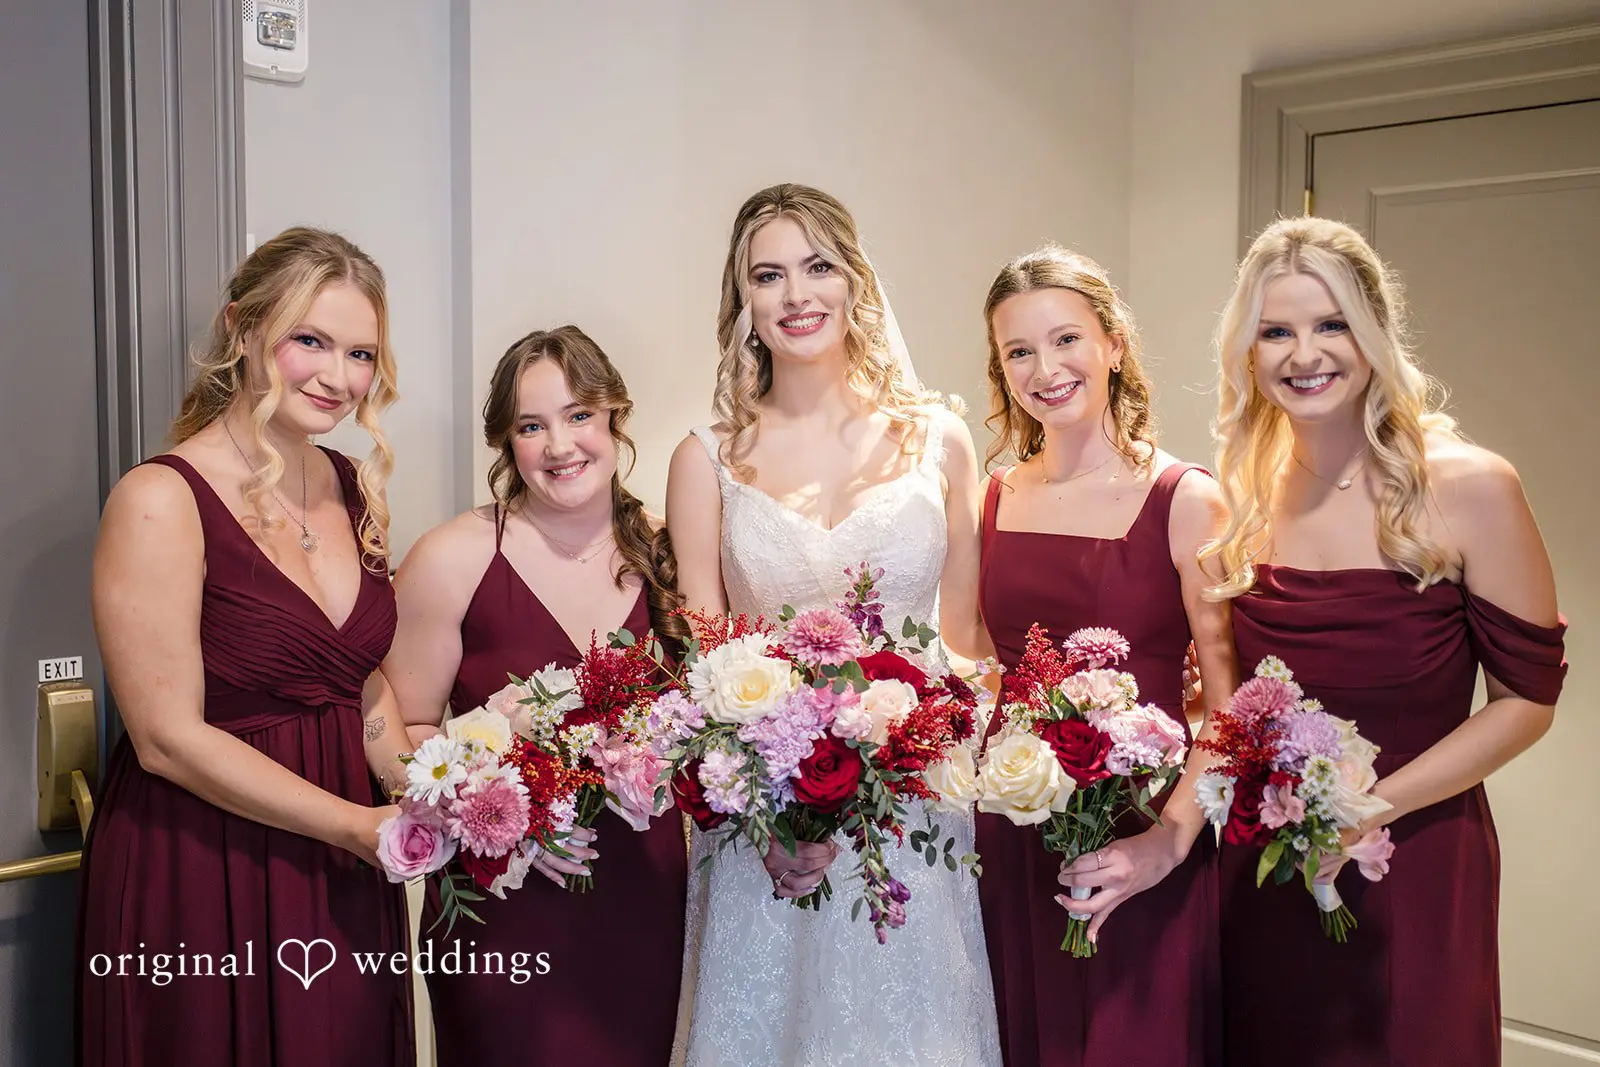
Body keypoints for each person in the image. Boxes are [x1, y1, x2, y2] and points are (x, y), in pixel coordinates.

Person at [1206, 216, 1566, 1067]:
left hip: (1419, 857)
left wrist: (1371, 808)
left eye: (1330, 325)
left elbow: (1528, 702)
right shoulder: (1241, 489)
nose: (1305, 354)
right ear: (1248, 353)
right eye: (1276, 331)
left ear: (1374, 333)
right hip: (1270, 867)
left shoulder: (1471, 484)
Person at [665, 183, 1001, 1066]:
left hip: (915, 810)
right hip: (765, 822)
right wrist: (774, 808)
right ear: (742, 301)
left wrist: (932, 746)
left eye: (817, 266)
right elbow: (706, 666)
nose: (796, 294)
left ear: (856, 280)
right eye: (767, 275)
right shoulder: (705, 462)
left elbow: (966, 643)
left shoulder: (940, 441)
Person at [77, 227, 415, 1066]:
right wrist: (355, 826)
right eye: (311, 341)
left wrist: (420, 786)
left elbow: (358, 677)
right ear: (241, 329)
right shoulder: (160, 498)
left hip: (343, 866)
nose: (339, 378)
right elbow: (164, 738)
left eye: (361, 353)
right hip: (202, 865)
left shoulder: (350, 486)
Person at [385, 325, 687, 1066]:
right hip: (504, 903)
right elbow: (400, 726)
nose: (560, 444)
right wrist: (482, 800)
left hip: (643, 897)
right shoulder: (453, 556)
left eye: (579, 414)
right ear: (506, 442)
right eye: (531, 425)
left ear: (616, 416)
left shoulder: (668, 551)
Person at [974, 244, 1232, 1067]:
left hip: (1138, 832)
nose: (1044, 368)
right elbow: (980, 662)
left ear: (1114, 342)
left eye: (1066, 340)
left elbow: (1230, 705)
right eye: (1019, 351)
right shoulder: (995, 496)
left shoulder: (1186, 498)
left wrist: (1168, 841)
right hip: (1010, 832)